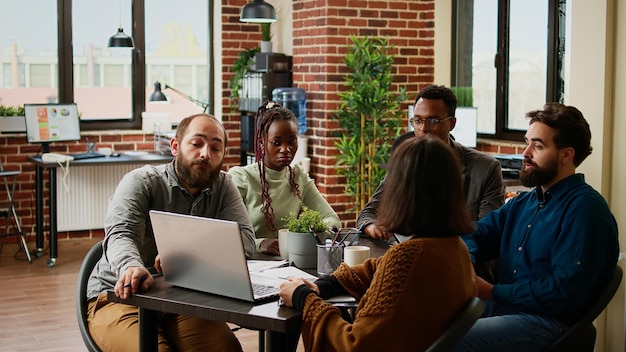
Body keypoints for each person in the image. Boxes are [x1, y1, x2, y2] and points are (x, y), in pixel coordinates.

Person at [278, 135, 477, 351]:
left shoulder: (409, 258)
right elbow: (379, 269)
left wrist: (302, 298)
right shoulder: (454, 248)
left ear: (402, 193)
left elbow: (354, 345)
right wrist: (323, 286)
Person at [454, 103, 619, 351]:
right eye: (527, 142)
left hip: (547, 322)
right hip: (504, 309)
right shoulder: (523, 203)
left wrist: (491, 291)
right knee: (421, 320)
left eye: (538, 146)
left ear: (567, 155)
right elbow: (474, 234)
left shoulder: (586, 209)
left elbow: (564, 292)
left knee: (451, 341)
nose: (525, 153)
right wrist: (465, 259)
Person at [86, 113, 255, 352]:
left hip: (183, 299)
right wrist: (131, 267)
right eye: (196, 144)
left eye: (216, 148)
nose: (206, 153)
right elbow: (120, 234)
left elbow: (246, 241)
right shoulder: (142, 181)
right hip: (121, 297)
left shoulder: (224, 185)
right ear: (175, 146)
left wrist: (187, 254)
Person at [357, 84, 505, 240]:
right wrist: (373, 227)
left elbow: (488, 233)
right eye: (418, 120)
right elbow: (368, 214)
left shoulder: (485, 168)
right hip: (407, 253)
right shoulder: (406, 162)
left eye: (433, 120)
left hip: (460, 258)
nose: (423, 129)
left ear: (452, 124)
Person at [229, 100, 341, 255]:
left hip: (287, 265)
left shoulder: (298, 176)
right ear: (262, 142)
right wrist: (258, 244)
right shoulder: (241, 178)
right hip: (249, 264)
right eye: (276, 142)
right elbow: (223, 232)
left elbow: (332, 219)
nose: (285, 149)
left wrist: (316, 230)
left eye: (292, 142)